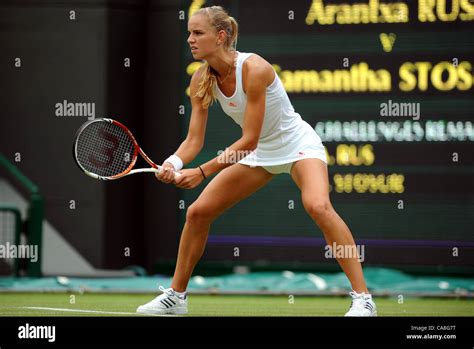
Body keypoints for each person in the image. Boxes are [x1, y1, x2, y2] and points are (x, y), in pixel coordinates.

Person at [136, 6, 377, 317]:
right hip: (259, 153)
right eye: (188, 34)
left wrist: (202, 172)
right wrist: (174, 163)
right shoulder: (199, 80)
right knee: (197, 213)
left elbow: (248, 140)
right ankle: (176, 297)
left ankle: (363, 299)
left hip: (296, 145)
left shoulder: (254, 68)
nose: (190, 40)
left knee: (317, 206)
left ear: (221, 36)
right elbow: (193, 141)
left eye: (198, 33)